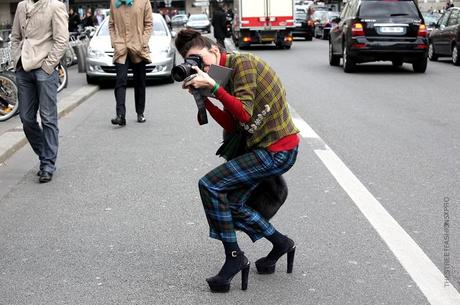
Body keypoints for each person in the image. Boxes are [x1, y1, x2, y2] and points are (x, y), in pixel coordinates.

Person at [175, 29, 300, 292]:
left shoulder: (243, 64)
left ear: (212, 48)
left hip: (277, 149)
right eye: (191, 61)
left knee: (210, 185)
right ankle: (281, 243)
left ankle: (234, 258)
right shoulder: (220, 72)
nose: (200, 66)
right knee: (230, 203)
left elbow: (244, 113)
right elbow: (233, 125)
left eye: (200, 58)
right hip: (261, 148)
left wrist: (215, 87)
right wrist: (205, 100)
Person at [11, 0, 69, 183]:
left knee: (48, 117)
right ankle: (46, 154)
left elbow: (62, 40)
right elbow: (15, 37)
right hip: (23, 70)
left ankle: (47, 164)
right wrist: (16, 60)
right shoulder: (21, 6)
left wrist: (48, 66)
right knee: (26, 119)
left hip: (44, 69)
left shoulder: (55, 6)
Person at [109, 0, 153, 125]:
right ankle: (120, 115)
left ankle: (140, 112)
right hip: (121, 47)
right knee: (120, 81)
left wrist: (143, 42)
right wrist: (115, 42)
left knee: (139, 81)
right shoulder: (114, 2)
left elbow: (149, 24)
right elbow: (111, 24)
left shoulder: (144, 1)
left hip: (138, 47)